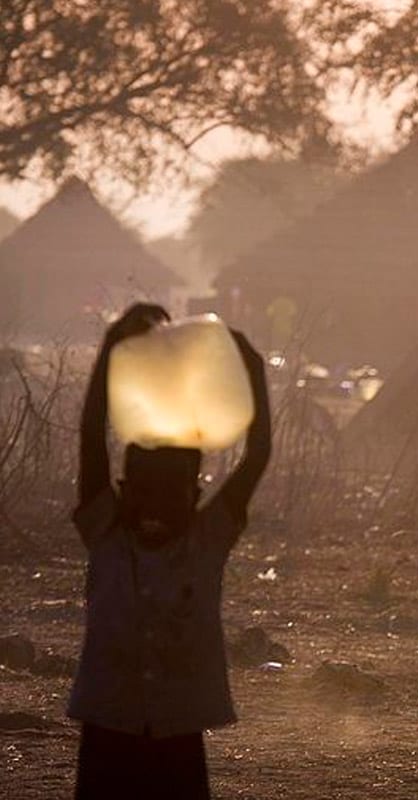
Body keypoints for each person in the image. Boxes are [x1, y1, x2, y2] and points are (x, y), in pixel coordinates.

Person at [70, 304, 272, 799]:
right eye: (145, 488)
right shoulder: (107, 534)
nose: (156, 504)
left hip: (179, 729)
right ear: (124, 488)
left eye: (171, 490)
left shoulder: (206, 542)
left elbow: (258, 452)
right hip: (108, 724)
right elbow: (91, 436)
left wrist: (253, 369)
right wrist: (112, 346)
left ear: (194, 495)